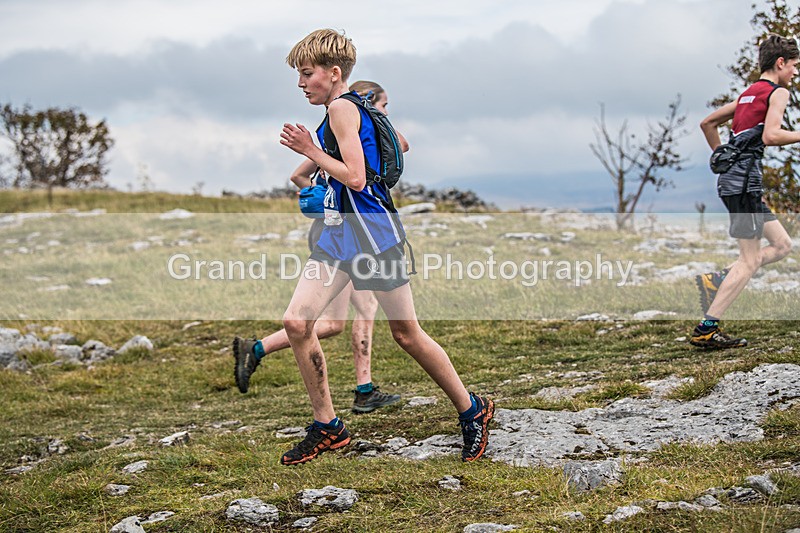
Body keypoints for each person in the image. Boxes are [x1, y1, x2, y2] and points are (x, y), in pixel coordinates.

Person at [244, 28, 494, 465]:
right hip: (340, 236)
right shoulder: (344, 108)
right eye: (298, 76)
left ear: (333, 72)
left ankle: (473, 410)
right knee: (297, 322)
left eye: (306, 74)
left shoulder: (342, 108)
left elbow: (356, 178)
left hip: (374, 236)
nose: (300, 84)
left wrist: (308, 149)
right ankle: (328, 426)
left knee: (406, 335)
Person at [233, 81, 406, 416]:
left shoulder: (350, 131)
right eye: (384, 106)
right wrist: (327, 191)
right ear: (372, 102)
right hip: (341, 232)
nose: (386, 112)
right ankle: (363, 390)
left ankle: (256, 349)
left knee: (332, 323)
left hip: (338, 231)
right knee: (353, 313)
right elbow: (301, 175)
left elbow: (401, 146)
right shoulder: (339, 131)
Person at [691, 34, 797, 349]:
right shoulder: (778, 92)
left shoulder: (748, 95)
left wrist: (723, 156)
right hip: (744, 184)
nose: (794, 73)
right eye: (794, 66)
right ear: (780, 63)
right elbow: (771, 135)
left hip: (736, 182)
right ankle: (706, 330)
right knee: (749, 260)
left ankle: (718, 279)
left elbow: (708, 124)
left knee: (782, 245)